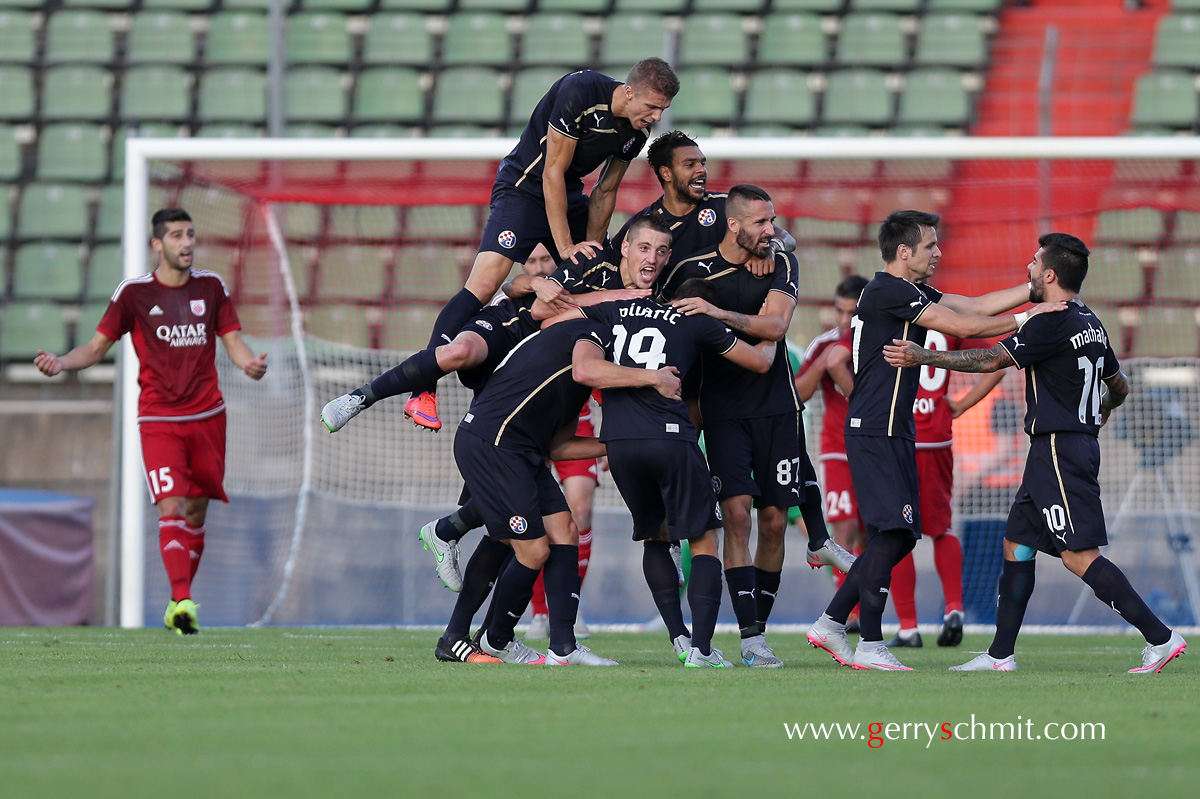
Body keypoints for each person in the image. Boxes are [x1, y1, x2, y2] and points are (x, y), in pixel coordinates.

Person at [883, 232, 1187, 674]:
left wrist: (921, 357)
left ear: (1048, 273)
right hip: (1063, 447)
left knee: (1078, 555)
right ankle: (1000, 654)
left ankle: (1161, 638)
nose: (1027, 268)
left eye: (1032, 261)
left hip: (1059, 449)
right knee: (1017, 543)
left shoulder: (1051, 321)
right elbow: (1119, 386)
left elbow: (989, 361)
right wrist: (1098, 414)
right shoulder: (1091, 321)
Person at [805, 209, 1066, 672]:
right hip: (876, 429)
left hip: (894, 429)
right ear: (903, 252)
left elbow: (974, 306)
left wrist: (1031, 294)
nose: (938, 252)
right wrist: (1030, 318)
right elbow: (965, 327)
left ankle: (829, 623)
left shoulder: (908, 291)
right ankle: (868, 643)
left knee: (901, 536)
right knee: (896, 533)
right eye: (930, 246)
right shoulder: (887, 290)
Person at [406, 60, 680, 432]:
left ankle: (604, 385)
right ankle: (423, 389)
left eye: (662, 110)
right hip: (523, 188)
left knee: (609, 274)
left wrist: (593, 248)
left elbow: (605, 191)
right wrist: (567, 246)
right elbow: (551, 171)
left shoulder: (634, 134)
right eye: (651, 106)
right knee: (485, 285)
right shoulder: (580, 92)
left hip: (567, 197)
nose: (656, 116)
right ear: (629, 91)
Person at [33, 208, 268, 635]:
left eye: (191, 234)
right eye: (177, 235)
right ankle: (181, 601)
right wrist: (62, 363)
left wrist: (248, 363)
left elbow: (232, 340)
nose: (187, 243)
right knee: (170, 504)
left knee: (196, 510)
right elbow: (95, 347)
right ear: (157, 245)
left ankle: (181, 597)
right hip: (159, 418)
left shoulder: (212, 286)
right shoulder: (134, 294)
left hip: (208, 416)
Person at [662, 184, 853, 669]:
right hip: (722, 412)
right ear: (734, 224)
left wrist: (717, 312)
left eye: (774, 222)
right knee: (739, 518)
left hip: (778, 410)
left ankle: (759, 633)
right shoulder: (691, 270)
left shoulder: (781, 262)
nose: (771, 231)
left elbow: (774, 328)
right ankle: (749, 636)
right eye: (762, 223)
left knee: (772, 522)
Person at [553, 278, 778, 666]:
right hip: (671, 439)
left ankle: (678, 637)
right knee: (703, 539)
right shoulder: (695, 320)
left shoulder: (614, 310)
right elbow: (760, 362)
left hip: (619, 444)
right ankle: (702, 650)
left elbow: (554, 320)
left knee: (655, 538)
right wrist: (772, 329)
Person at [436, 317, 680, 665]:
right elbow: (585, 369)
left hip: (524, 453)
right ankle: (489, 637)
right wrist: (654, 378)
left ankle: (564, 647)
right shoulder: (587, 342)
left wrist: (615, 443)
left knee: (565, 530)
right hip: (493, 444)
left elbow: (559, 446)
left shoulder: (577, 387)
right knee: (530, 549)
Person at [885, 332, 1004, 649]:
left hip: (897, 434)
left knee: (894, 531)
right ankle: (954, 609)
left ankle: (908, 628)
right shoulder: (946, 316)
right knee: (942, 528)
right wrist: (961, 404)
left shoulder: (886, 311)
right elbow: (998, 365)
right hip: (937, 436)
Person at [796, 275, 869, 603]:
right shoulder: (825, 345)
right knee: (844, 528)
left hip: (874, 448)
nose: (843, 321)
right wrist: (825, 365)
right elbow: (799, 394)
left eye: (851, 314)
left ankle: (867, 608)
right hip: (837, 447)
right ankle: (843, 614)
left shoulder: (880, 342)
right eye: (839, 312)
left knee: (873, 533)